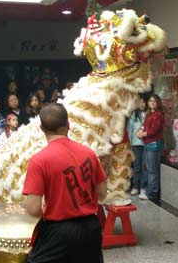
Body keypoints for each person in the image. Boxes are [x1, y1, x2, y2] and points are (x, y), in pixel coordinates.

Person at [23, 103, 107, 263]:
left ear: (41, 129)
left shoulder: (39, 160)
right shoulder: (88, 153)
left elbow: (33, 209)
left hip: (58, 230)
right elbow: (102, 192)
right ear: (68, 125)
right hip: (91, 227)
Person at [138, 94, 165, 201]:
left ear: (158, 103)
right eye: (150, 101)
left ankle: (152, 194)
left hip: (154, 144)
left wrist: (142, 134)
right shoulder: (149, 114)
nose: (152, 103)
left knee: (152, 170)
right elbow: (144, 125)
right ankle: (150, 190)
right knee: (148, 169)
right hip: (148, 143)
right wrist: (139, 131)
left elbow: (154, 130)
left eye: (154, 101)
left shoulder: (158, 115)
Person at [127, 95, 148, 199]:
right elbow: (129, 130)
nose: (142, 104)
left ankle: (143, 188)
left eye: (143, 102)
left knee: (145, 166)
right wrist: (130, 144)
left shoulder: (149, 114)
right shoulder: (133, 115)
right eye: (140, 102)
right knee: (137, 166)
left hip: (146, 143)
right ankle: (135, 186)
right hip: (136, 144)